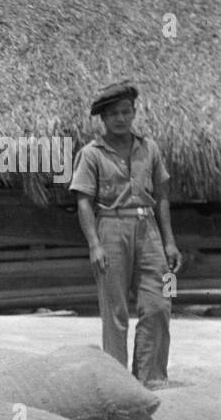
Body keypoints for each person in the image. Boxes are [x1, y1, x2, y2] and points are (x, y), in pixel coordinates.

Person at [69, 81, 180, 388]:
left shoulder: (150, 149)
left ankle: (151, 378)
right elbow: (83, 201)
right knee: (115, 312)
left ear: (134, 113)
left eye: (126, 111)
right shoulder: (91, 154)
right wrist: (94, 245)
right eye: (114, 113)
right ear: (102, 119)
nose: (121, 118)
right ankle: (118, 384)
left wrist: (169, 241)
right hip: (110, 229)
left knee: (159, 303)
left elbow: (162, 194)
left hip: (149, 231)